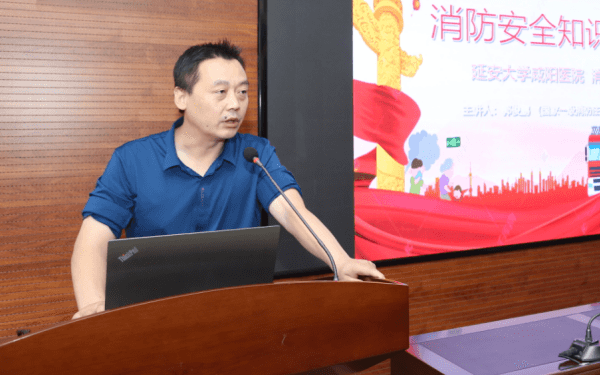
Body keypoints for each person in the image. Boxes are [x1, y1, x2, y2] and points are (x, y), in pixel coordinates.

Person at [71, 40, 383, 319]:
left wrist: (340, 261)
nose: (235, 104)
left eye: (242, 92)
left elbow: (293, 213)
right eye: (221, 92)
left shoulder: (255, 154)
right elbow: (93, 238)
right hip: (153, 317)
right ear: (181, 96)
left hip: (237, 316)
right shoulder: (133, 160)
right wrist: (92, 307)